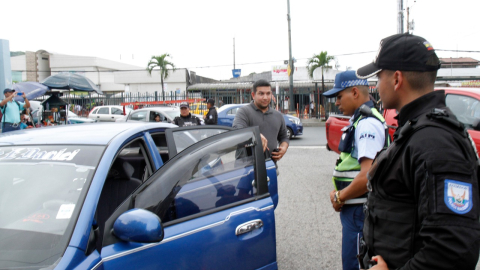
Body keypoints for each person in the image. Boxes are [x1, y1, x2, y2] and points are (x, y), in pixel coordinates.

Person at [356, 33, 480, 270]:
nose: (376, 85)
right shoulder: (416, 128)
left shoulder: (435, 142)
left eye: (379, 76)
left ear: (396, 79)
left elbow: (454, 249)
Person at [322, 70, 387, 270]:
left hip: (360, 209)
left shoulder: (367, 124)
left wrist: (340, 197)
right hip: (356, 207)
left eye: (339, 96)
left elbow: (368, 175)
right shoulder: (360, 119)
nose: (337, 102)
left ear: (355, 92)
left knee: (355, 263)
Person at [232, 79, 289, 163]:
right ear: (253, 95)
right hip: (245, 169)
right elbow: (237, 130)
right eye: (261, 94)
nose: (265, 97)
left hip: (271, 168)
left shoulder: (278, 115)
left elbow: (284, 137)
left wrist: (283, 148)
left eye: (268, 93)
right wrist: (255, 134)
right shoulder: (244, 112)